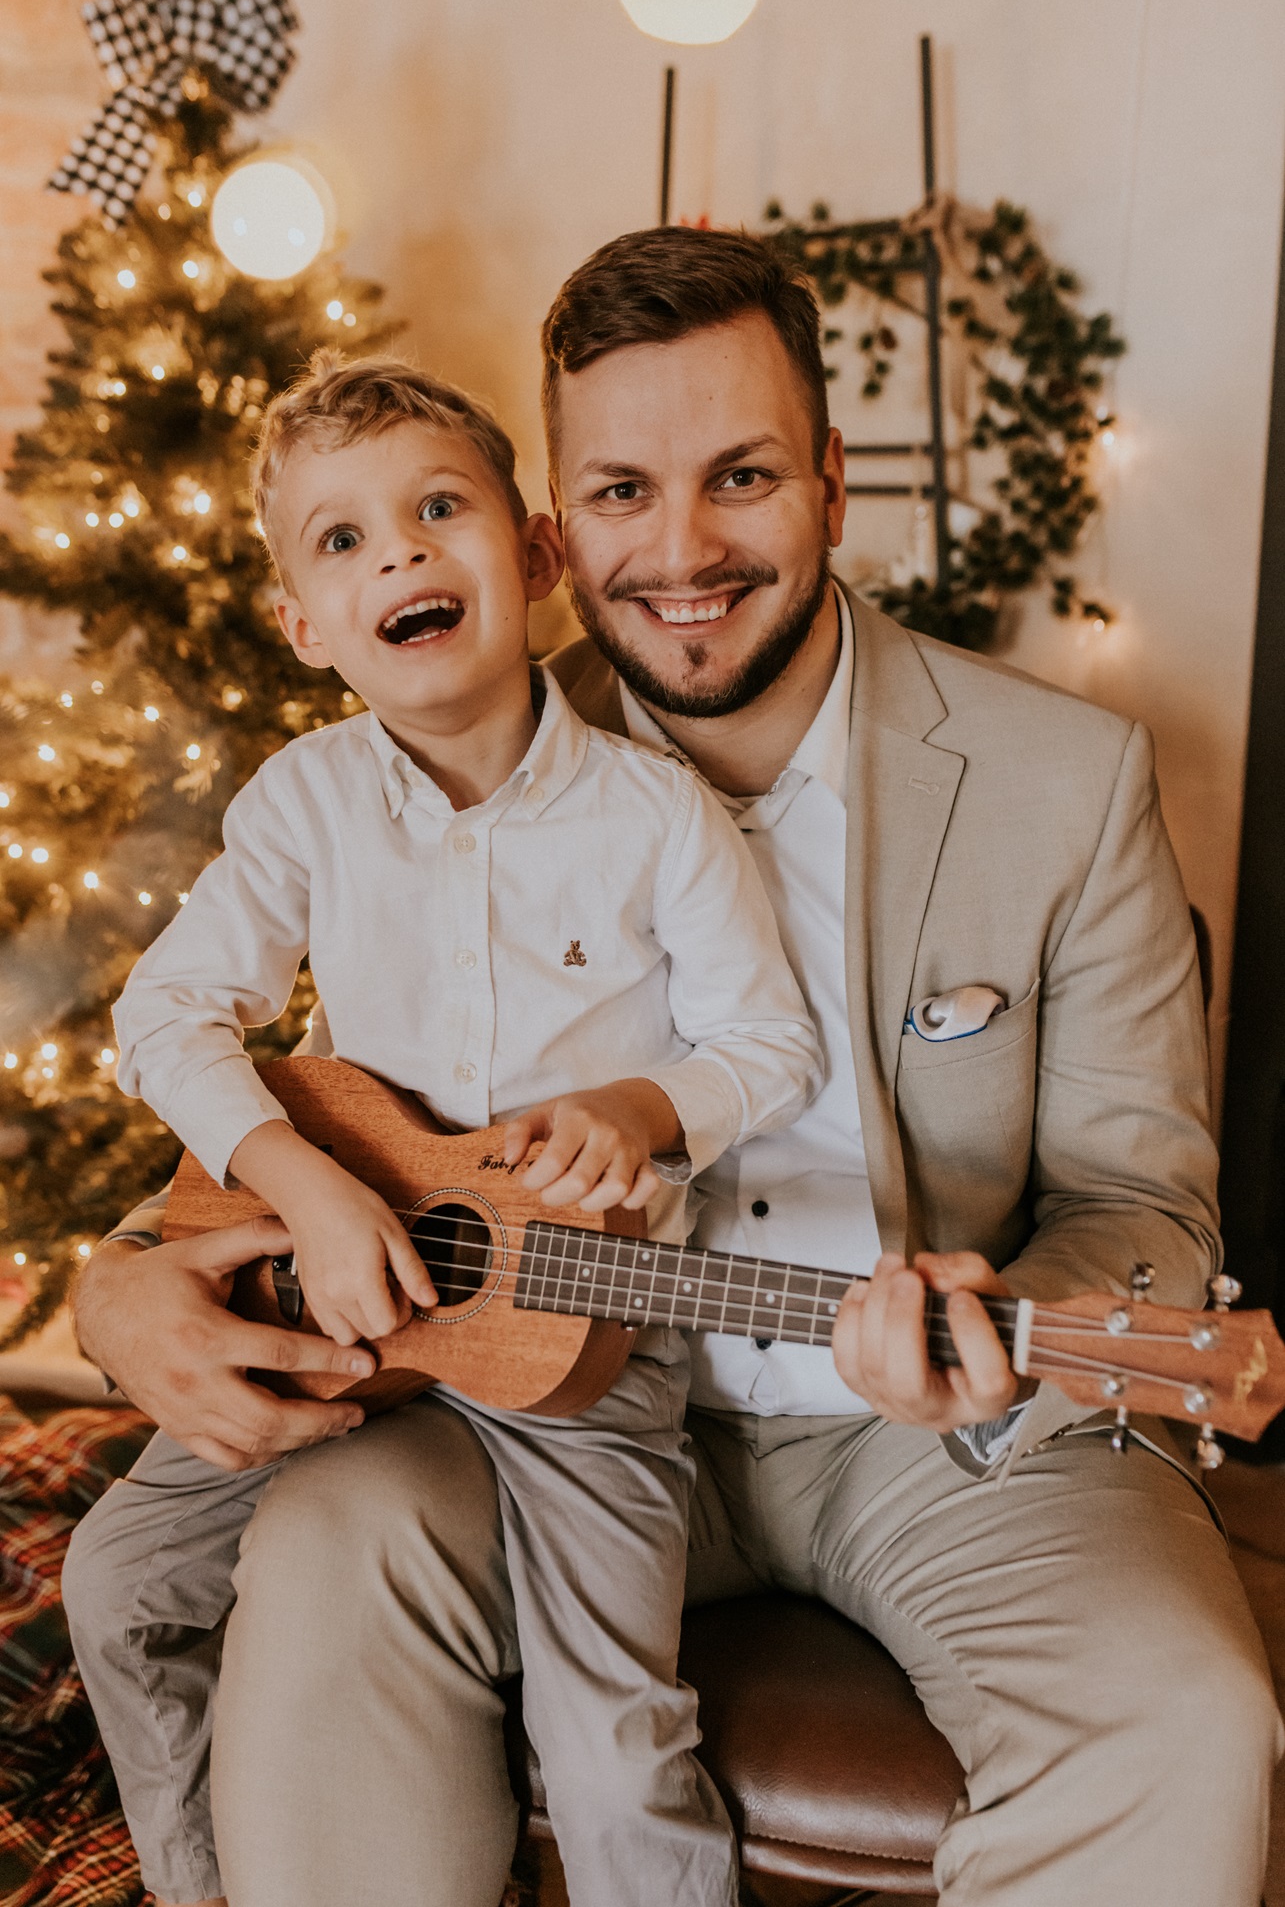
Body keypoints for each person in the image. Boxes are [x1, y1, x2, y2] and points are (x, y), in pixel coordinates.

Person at [71, 230, 1282, 1907]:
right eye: (623, 492)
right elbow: (335, 1112)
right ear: (557, 529)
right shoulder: (428, 749)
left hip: (937, 1440)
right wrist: (116, 1289)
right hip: (518, 1400)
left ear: (831, 482)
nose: (684, 549)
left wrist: (994, 1319)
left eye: (743, 477)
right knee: (326, 1550)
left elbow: (1141, 1200)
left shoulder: (1064, 781)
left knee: (1182, 1725)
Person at [62, 348, 822, 1907]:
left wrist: (638, 1106)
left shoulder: (655, 816)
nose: (398, 555)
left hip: (585, 1344)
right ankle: (199, 1888)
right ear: (304, 624)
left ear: (534, 555)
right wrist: (304, 1190)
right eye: (341, 540)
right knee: (114, 1579)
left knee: (610, 1743)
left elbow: (772, 1046)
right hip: (358, 1316)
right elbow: (167, 1015)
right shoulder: (303, 805)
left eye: (436, 511)